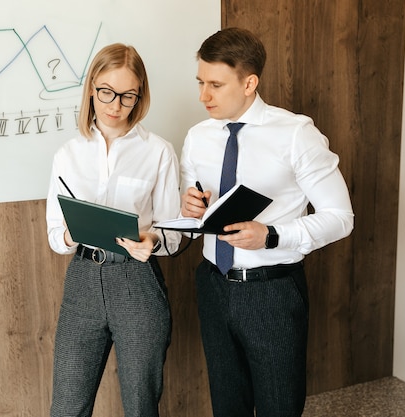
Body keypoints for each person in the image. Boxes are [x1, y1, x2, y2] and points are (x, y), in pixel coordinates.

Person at [180, 28, 354, 417]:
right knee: (227, 405)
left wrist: (272, 236)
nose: (202, 96)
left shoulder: (296, 134)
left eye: (215, 84)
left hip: (272, 291)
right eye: (200, 83)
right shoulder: (197, 137)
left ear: (249, 83)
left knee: (279, 405)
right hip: (212, 284)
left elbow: (341, 218)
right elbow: (194, 208)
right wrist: (190, 205)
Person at [45, 43, 181, 417]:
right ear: (91, 88)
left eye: (127, 95)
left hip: (136, 280)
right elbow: (56, 235)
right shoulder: (67, 155)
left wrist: (152, 240)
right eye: (106, 91)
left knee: (141, 405)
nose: (115, 104)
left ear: (139, 97)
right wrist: (73, 232)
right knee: (67, 406)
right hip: (83, 281)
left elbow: (174, 233)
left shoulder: (158, 152)